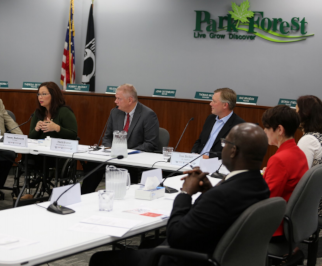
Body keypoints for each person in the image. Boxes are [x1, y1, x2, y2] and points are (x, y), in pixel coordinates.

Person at [89, 123, 270, 266]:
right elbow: (220, 214)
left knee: (100, 259)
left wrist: (185, 193)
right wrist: (208, 190)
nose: (222, 148)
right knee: (147, 243)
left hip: (189, 259)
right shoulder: (259, 185)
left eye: (225, 143)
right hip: (217, 251)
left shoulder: (223, 194)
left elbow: (175, 235)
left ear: (233, 151)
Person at [81, 84, 159, 194]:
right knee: (93, 164)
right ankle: (83, 197)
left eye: (119, 99)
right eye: (116, 98)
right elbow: (107, 137)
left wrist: (126, 152)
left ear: (130, 100)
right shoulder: (115, 112)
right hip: (114, 157)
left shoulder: (148, 115)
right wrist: (111, 149)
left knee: (127, 169)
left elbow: (151, 144)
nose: (115, 102)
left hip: (134, 159)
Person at [261, 105, 308, 239]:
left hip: (276, 225)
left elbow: (266, 200)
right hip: (294, 220)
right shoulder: (298, 152)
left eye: (267, 127)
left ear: (280, 129)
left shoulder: (278, 160)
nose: (264, 131)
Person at [191, 88, 244, 159]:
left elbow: (232, 152)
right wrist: (193, 154)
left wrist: (208, 157)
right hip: (197, 160)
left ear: (225, 105)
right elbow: (199, 141)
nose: (210, 103)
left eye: (214, 101)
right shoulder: (210, 118)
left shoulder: (238, 125)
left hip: (217, 164)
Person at [296, 95, 322, 217]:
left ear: (304, 115)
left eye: (296, 112)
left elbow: (301, 179)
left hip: (313, 208)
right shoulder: (318, 136)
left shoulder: (308, 140)